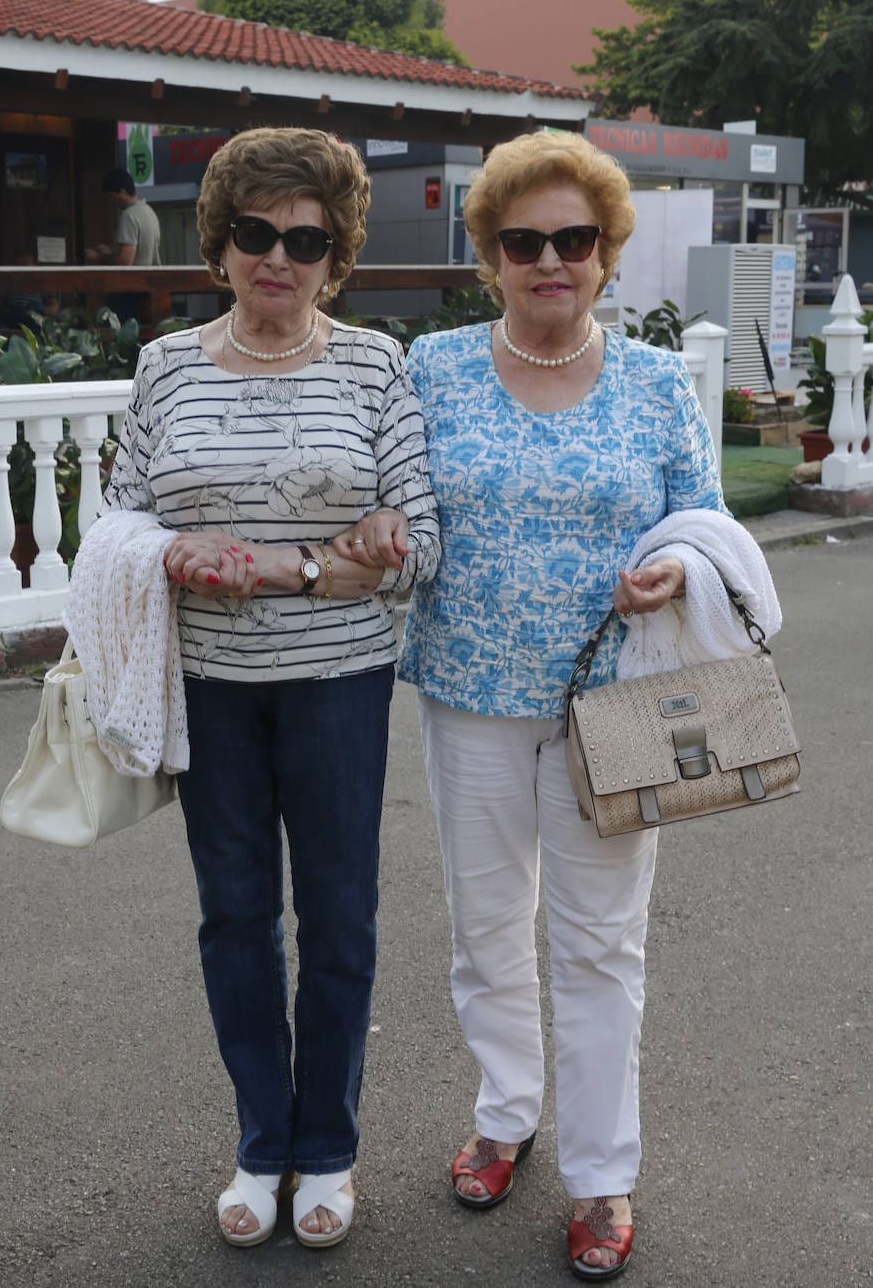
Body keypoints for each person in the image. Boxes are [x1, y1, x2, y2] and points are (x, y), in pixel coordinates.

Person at [335, 130, 738, 1280]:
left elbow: (706, 526)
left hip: (609, 710)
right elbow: (396, 509)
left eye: (575, 239)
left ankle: (604, 1176)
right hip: (466, 695)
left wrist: (676, 572)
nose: (551, 260)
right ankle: (505, 1115)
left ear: (606, 253)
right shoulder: (434, 369)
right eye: (526, 241)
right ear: (491, 255)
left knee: (602, 946)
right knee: (485, 931)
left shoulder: (659, 384)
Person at [98, 127, 439, 1250]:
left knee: (338, 919)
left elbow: (420, 535)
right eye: (256, 233)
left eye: (306, 238)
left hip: (339, 685)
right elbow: (119, 519)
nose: (278, 257)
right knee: (237, 919)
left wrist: (377, 536)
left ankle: (328, 1145)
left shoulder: (374, 365)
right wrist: (170, 552)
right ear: (223, 243)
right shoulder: (167, 368)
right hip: (213, 685)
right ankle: (262, 1143)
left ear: (336, 252)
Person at [85, 167, 162, 267]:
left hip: (134, 280)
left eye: (112, 197)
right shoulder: (149, 211)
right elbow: (140, 251)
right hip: (150, 279)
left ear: (123, 192)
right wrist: (113, 251)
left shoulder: (129, 215)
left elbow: (125, 261)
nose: (112, 202)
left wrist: (98, 257)